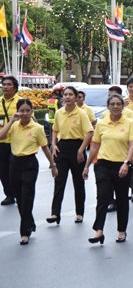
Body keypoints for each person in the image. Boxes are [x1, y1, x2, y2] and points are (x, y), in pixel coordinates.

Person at [0, 99, 57, 244]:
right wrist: (12, 120)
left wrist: (53, 165)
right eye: (21, 110)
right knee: (19, 198)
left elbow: (45, 147)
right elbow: (1, 136)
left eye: (27, 110)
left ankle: (24, 232)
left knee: (27, 197)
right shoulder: (14, 126)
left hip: (30, 164)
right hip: (15, 163)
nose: (24, 113)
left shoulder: (37, 128)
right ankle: (30, 223)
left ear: (32, 111)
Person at [82, 94, 133, 245]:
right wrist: (87, 166)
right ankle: (99, 231)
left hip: (122, 165)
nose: (115, 107)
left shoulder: (129, 123)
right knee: (103, 197)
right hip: (103, 165)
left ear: (122, 106)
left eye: (118, 104)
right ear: (108, 106)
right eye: (112, 104)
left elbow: (132, 144)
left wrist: (126, 162)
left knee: (121, 199)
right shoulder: (101, 124)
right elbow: (95, 146)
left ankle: (121, 230)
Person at [48, 87, 94, 224]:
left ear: (75, 97)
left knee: (78, 182)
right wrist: (54, 144)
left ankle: (79, 213)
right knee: (59, 181)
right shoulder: (59, 113)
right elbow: (55, 130)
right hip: (62, 148)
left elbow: (89, 132)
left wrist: (81, 150)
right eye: (65, 94)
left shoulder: (81, 114)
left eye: (70, 95)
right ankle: (55, 213)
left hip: (77, 147)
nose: (67, 97)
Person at [0, 75, 22, 206]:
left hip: (16, 141)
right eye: (4, 84)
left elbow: (29, 118)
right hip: (2, 142)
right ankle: (9, 194)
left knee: (14, 169)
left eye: (9, 85)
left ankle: (18, 192)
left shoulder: (21, 102)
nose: (6, 87)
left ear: (15, 88)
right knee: (2, 170)